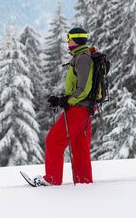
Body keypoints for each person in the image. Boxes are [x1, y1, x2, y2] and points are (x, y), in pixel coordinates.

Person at [33, 27, 94, 186]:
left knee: (54, 140)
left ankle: (52, 179)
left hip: (79, 109)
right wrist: (61, 99)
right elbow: (79, 89)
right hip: (84, 109)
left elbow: (84, 89)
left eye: (69, 38)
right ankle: (84, 182)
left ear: (77, 39)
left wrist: (68, 101)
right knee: (79, 146)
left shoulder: (83, 59)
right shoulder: (81, 57)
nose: (67, 41)